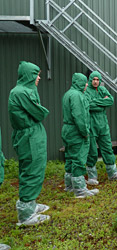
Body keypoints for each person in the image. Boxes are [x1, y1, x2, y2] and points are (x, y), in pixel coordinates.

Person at [8, 61, 50, 226]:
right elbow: (40, 113)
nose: (38, 78)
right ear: (28, 75)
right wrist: (41, 110)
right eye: (36, 75)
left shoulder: (24, 90)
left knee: (34, 168)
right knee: (32, 170)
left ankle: (30, 204)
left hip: (31, 133)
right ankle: (26, 214)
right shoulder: (22, 92)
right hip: (29, 135)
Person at [85, 71, 117, 185]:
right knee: (92, 151)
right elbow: (89, 105)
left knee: (107, 148)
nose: (96, 82)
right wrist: (102, 103)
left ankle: (113, 174)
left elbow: (111, 101)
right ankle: (92, 177)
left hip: (103, 125)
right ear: (90, 80)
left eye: (98, 80)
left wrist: (97, 103)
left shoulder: (102, 89)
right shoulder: (87, 91)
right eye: (94, 79)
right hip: (92, 125)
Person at [62, 73, 99, 198]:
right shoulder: (77, 95)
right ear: (79, 83)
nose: (87, 85)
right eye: (85, 82)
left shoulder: (68, 93)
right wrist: (85, 132)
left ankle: (69, 186)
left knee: (70, 156)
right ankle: (80, 190)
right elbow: (79, 116)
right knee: (78, 158)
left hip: (67, 129)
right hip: (76, 131)